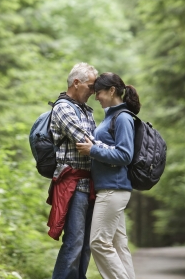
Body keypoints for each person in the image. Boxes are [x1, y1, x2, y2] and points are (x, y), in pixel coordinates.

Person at [76, 72, 141, 279]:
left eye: (99, 93)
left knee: (98, 242)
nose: (96, 97)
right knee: (118, 245)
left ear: (112, 91)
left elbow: (125, 155)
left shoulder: (122, 118)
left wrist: (92, 150)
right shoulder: (112, 116)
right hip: (111, 188)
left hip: (113, 189)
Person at [48, 62, 98, 279]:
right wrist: (118, 152)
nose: (94, 92)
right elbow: (86, 141)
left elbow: (95, 146)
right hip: (73, 185)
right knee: (74, 243)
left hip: (89, 185)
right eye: (91, 87)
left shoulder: (86, 111)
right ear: (76, 83)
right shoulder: (63, 108)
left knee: (86, 246)